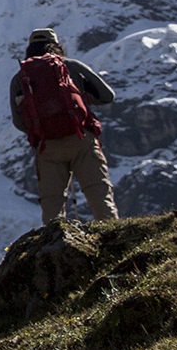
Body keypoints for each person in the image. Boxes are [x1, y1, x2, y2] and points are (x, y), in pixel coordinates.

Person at [10, 27, 118, 224]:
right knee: (99, 194)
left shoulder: (20, 78)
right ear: (58, 46)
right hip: (81, 138)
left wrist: (42, 128)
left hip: (47, 146)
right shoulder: (72, 66)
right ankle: (114, 243)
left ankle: (57, 247)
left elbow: (19, 122)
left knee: (53, 207)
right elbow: (107, 95)